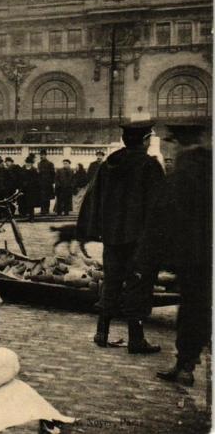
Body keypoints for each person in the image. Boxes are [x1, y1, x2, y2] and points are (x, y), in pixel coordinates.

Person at [77, 120, 164, 354]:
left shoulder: (109, 164)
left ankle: (101, 333)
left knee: (111, 281)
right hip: (139, 239)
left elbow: (93, 198)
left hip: (113, 238)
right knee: (138, 285)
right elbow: (157, 206)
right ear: (145, 141)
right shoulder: (149, 165)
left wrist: (95, 230)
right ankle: (136, 340)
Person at [146, 124, 211, 386]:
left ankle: (185, 365)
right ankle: (187, 362)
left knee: (194, 308)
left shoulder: (186, 167)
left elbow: (171, 211)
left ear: (180, 143)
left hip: (194, 253)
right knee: (200, 307)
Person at [18, 155, 40, 222]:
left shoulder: (34, 170)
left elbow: (36, 180)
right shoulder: (22, 169)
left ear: (32, 163)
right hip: (23, 189)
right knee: (23, 203)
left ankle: (31, 217)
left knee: (31, 204)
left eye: (30, 163)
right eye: (27, 162)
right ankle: (24, 216)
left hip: (31, 190)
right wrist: (20, 187)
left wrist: (31, 184)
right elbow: (19, 179)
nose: (28, 164)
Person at [37, 150, 55, 215]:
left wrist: (51, 182)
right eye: (41, 155)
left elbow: (53, 174)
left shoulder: (50, 163)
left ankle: (46, 210)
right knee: (41, 197)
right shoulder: (39, 164)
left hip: (47, 183)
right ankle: (42, 210)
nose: (42, 156)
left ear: (45, 155)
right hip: (41, 184)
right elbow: (38, 174)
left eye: (43, 155)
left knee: (47, 197)